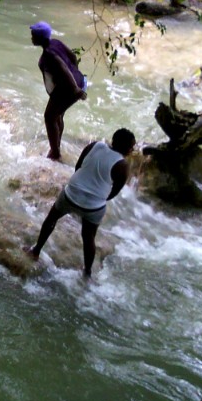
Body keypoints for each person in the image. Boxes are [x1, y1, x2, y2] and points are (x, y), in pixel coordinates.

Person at [25, 127, 135, 277]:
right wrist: (97, 198)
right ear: (128, 148)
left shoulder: (95, 145)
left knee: (51, 219)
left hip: (71, 194)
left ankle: (35, 250)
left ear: (113, 140)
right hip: (93, 207)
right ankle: (87, 273)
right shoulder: (122, 165)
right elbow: (113, 192)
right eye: (132, 146)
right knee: (88, 237)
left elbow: (78, 167)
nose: (133, 149)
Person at [30, 21, 87, 161]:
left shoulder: (49, 54)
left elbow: (64, 70)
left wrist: (76, 90)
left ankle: (55, 152)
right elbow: (73, 58)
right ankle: (56, 147)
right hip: (76, 82)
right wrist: (76, 74)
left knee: (49, 117)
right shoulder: (55, 42)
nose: (31, 38)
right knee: (57, 115)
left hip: (69, 88)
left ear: (40, 38)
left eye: (33, 36)